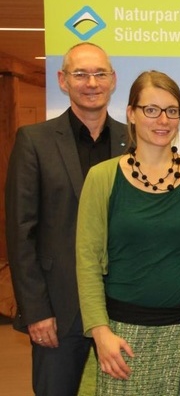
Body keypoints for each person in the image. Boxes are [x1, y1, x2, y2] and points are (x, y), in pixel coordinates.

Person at [76, 70, 180, 395]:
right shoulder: (102, 178)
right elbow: (87, 261)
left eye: (172, 110)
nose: (163, 120)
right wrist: (100, 331)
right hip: (124, 338)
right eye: (151, 110)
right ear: (131, 114)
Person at [5, 42, 127, 396]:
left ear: (113, 80)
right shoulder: (34, 141)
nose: (91, 83)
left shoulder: (132, 141)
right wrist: (35, 311)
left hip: (122, 304)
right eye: (80, 74)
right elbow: (20, 232)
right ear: (62, 80)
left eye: (100, 73)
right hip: (58, 308)